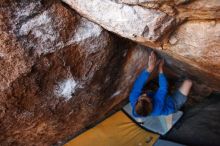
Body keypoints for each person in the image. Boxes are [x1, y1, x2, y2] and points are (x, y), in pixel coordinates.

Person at [129, 51, 192, 117]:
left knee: (157, 88)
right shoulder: (157, 108)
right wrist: (160, 69)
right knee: (188, 82)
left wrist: (150, 69)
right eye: (146, 97)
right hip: (172, 103)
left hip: (158, 96)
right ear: (151, 102)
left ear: (136, 102)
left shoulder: (133, 98)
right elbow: (163, 88)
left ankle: (175, 86)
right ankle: (177, 87)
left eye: (142, 96)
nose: (144, 94)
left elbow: (138, 84)